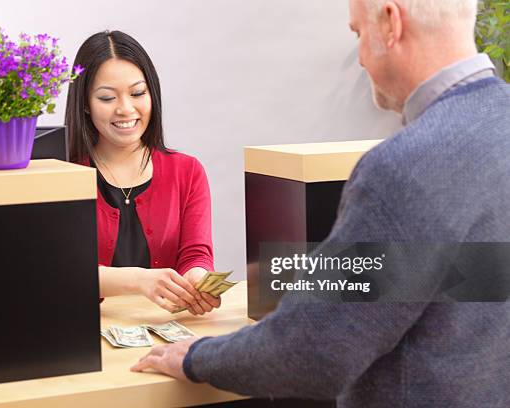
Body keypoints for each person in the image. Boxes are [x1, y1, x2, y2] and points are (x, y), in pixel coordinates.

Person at [131, 0, 510, 406]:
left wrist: (197, 356)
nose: (361, 58)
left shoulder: (402, 168)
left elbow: (311, 352)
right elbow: (466, 279)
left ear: (389, 22)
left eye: (357, 33)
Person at [65, 31, 220, 315]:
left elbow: (195, 255)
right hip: (84, 334)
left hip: (165, 330)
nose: (126, 109)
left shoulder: (187, 171)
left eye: (138, 93)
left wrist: (197, 279)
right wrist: (138, 280)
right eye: (107, 97)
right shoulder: (62, 176)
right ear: (85, 103)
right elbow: (61, 272)